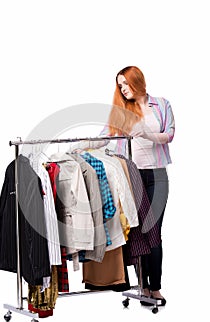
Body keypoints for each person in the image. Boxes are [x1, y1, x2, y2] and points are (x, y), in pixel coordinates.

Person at [72, 66, 175, 305]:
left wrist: (147, 134)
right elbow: (105, 136)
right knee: (139, 231)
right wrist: (83, 144)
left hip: (157, 176)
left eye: (126, 83)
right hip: (132, 176)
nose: (123, 89)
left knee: (154, 231)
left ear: (137, 80)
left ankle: (155, 286)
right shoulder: (121, 112)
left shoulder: (162, 104)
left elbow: (169, 134)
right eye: (120, 85)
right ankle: (143, 286)